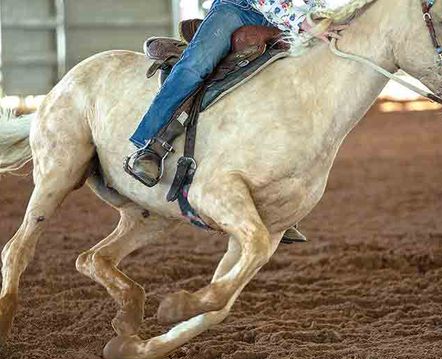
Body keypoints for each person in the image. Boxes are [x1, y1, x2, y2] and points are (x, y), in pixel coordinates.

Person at [127, 0, 343, 243]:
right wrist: (303, 21)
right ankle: (151, 144)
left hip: (289, 17)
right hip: (239, 10)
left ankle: (274, 199)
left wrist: (318, 16)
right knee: (195, 65)